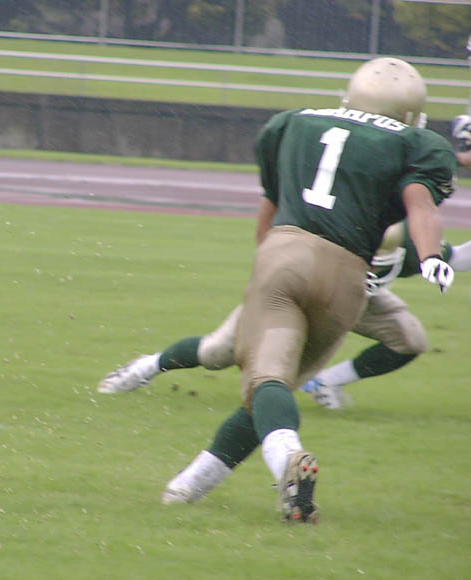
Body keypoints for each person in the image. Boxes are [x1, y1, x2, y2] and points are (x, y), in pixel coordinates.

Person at [109, 57, 457, 524]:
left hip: (285, 256)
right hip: (347, 279)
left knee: (265, 383)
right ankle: (188, 487)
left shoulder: (294, 123)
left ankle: (286, 460)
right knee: (274, 385)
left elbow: (270, 205)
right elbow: (421, 204)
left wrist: (265, 267)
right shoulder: (415, 143)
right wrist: (431, 256)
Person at [97, 222, 471, 409]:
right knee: (217, 353)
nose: (374, 264)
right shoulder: (335, 229)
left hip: (359, 299)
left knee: (410, 339)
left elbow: (458, 258)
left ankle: (326, 382)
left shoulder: (410, 248)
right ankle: (146, 367)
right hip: (304, 287)